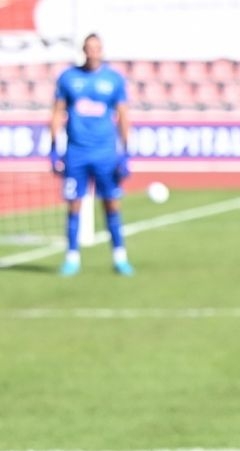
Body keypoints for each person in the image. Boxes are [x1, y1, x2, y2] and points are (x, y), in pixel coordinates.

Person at [49, 33, 132, 277]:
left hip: (105, 153)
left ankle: (120, 257)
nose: (93, 51)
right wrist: (54, 148)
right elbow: (57, 112)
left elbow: (123, 115)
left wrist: (125, 152)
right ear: (84, 50)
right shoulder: (68, 78)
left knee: (111, 203)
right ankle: (72, 257)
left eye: (97, 47)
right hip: (76, 153)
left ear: (102, 50)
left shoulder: (113, 79)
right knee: (74, 204)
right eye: (89, 47)